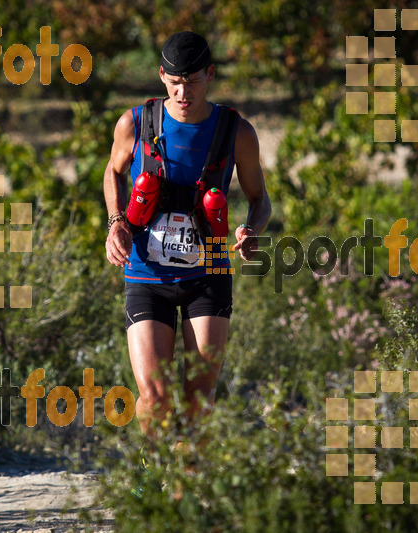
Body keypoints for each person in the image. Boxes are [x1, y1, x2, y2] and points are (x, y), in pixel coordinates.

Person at [103, 31, 271, 442]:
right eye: (175, 82)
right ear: (162, 76)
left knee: (199, 398)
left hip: (209, 273)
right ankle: (152, 470)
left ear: (210, 75)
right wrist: (115, 222)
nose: (183, 92)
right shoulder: (136, 122)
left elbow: (260, 199)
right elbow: (113, 172)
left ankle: (188, 490)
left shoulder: (237, 131)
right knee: (155, 397)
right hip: (147, 273)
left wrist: (252, 229)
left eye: (193, 81)